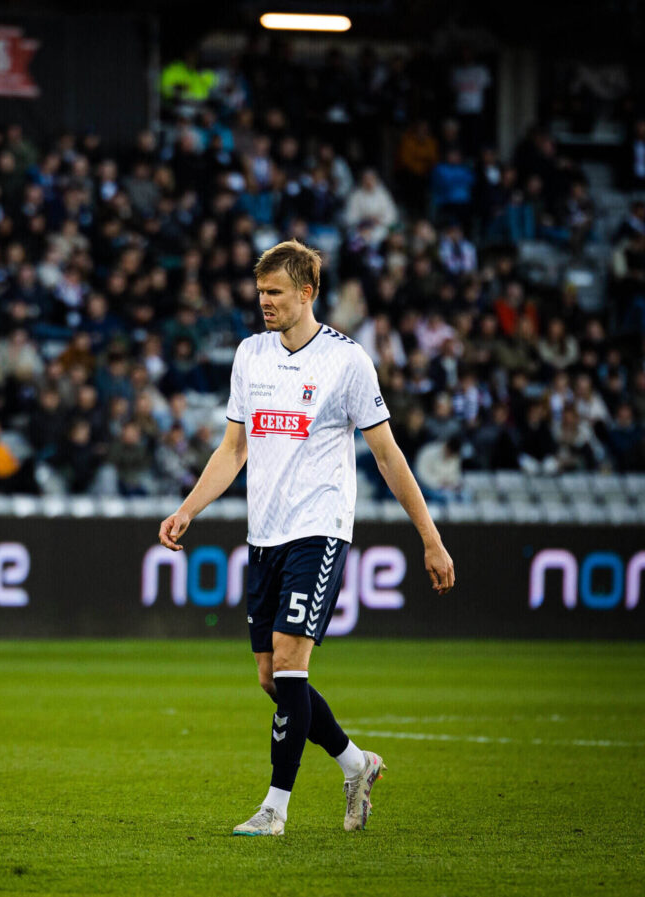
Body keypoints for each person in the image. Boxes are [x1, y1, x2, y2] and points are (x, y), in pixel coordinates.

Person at [158, 240, 455, 837]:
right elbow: (234, 449)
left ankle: (275, 809)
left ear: (307, 293)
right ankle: (356, 764)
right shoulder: (250, 355)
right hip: (263, 533)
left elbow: (387, 455)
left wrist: (431, 537)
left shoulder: (347, 363)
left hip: (318, 529)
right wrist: (188, 507)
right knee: (272, 679)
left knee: (292, 667)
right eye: (260, 293)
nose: (264, 302)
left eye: (275, 293)